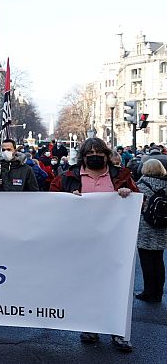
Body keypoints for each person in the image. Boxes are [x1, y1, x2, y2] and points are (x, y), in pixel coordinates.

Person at [50, 137, 137, 352]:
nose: (95, 158)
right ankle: (90, 327)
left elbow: (138, 201)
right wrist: (67, 198)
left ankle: (118, 331)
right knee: (87, 285)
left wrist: (128, 194)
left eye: (99, 154)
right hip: (82, 241)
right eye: (90, 155)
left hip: (115, 242)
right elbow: (51, 199)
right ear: (83, 157)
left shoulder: (121, 176)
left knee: (117, 286)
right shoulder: (68, 177)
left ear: (107, 156)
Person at [134, 159, 167, 304]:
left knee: (147, 261)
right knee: (159, 261)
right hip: (162, 226)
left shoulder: (141, 185)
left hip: (145, 227)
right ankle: (158, 293)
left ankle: (148, 292)